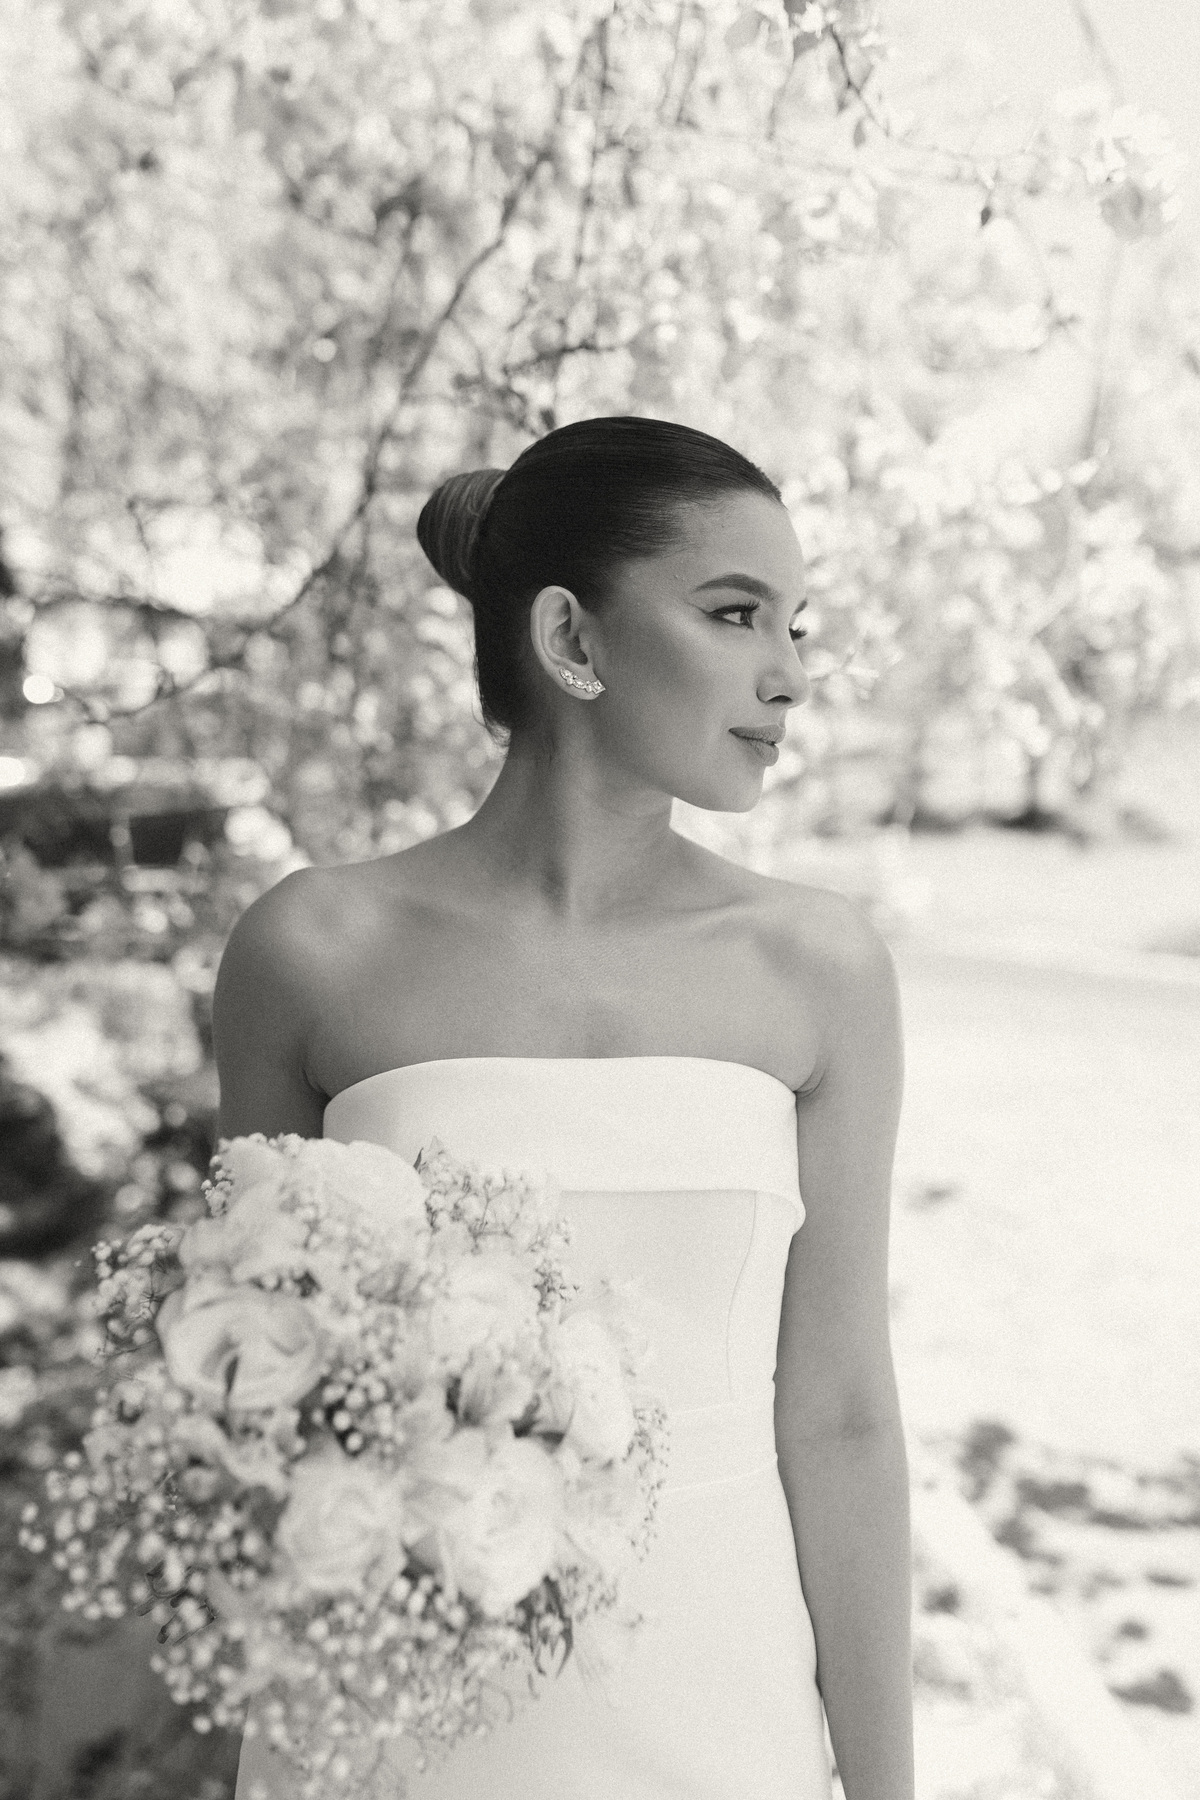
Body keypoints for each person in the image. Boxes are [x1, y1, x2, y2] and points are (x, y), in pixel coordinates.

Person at [216, 416, 914, 1800]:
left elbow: (839, 1413)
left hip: (717, 1700)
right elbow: (251, 1393)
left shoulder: (818, 970)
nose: (790, 675)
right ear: (570, 638)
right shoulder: (311, 952)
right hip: (391, 1712)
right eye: (736, 614)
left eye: (796, 627)